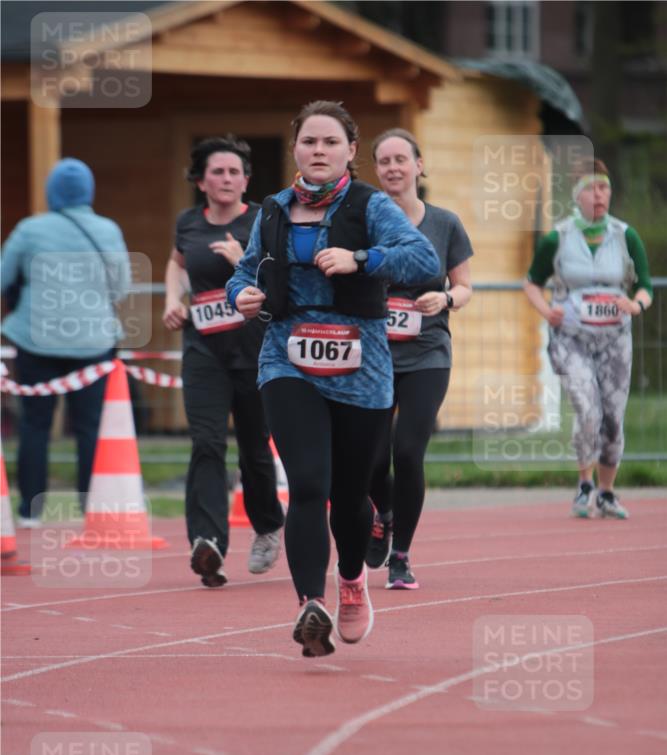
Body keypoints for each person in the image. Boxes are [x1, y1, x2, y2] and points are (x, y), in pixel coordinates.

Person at [227, 101, 441, 657]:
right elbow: (246, 270)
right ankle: (308, 606)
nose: (317, 151)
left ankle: (350, 581)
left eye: (329, 143)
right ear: (295, 149)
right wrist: (240, 295)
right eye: (308, 142)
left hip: (361, 366)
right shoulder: (272, 207)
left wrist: (361, 259)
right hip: (286, 359)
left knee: (350, 495)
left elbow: (423, 262)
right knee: (309, 485)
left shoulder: (371, 205)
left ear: (350, 151)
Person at [163, 135, 285, 587]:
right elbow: (176, 263)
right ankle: (207, 542)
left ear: (246, 180)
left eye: (235, 171)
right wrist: (172, 300)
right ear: (201, 181)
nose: (227, 178)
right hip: (204, 351)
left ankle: (269, 526)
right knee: (208, 443)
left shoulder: (261, 221)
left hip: (255, 351)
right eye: (218, 171)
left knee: (255, 450)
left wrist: (242, 262)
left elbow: (281, 279)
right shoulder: (189, 223)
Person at [365, 128, 473, 589]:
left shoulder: (444, 224)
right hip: (371, 355)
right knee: (370, 458)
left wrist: (445, 300)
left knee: (407, 451)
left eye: (401, 159)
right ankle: (383, 513)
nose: (393, 167)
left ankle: (402, 555)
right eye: (384, 161)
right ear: (376, 170)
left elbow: (465, 286)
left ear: (418, 165)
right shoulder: (364, 222)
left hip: (427, 353)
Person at [1, 158, 130, 527]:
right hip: (94, 342)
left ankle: (30, 511)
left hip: (35, 340)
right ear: (88, 191)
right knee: (90, 427)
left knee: (34, 426)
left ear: (51, 191)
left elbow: (3, 277)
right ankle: (90, 508)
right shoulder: (107, 230)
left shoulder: (30, 230)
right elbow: (120, 288)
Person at [523, 158, 653, 519]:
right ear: (576, 196)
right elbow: (531, 282)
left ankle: (607, 492)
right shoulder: (558, 237)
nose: (599, 195)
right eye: (591, 189)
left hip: (614, 340)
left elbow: (644, 285)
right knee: (588, 408)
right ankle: (584, 485)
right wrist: (547, 310)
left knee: (612, 417)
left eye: (604, 188)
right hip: (572, 339)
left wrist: (636, 304)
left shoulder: (625, 235)